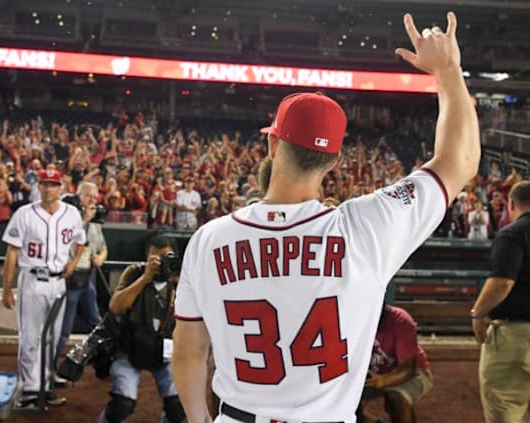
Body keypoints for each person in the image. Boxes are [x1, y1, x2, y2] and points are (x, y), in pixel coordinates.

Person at [171, 11, 480, 423]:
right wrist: (448, 70)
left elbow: (190, 349)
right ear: (333, 161)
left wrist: (197, 419)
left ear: (272, 145)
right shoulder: (367, 225)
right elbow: (459, 160)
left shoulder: (208, 239)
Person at [1, 168, 86, 411]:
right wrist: (6, 288)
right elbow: (12, 252)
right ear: (38, 186)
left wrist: (73, 263)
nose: (49, 188)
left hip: (59, 282)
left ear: (61, 187)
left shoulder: (71, 214)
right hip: (32, 281)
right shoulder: (24, 214)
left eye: (53, 184)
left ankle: (44, 388)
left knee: (51, 338)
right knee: (29, 338)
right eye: (45, 184)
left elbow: (81, 242)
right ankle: (29, 391)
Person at [98, 235, 185, 423]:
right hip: (130, 348)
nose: (161, 264)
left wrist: (179, 282)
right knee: (122, 404)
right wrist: (145, 278)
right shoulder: (135, 272)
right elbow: (115, 306)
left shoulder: (183, 279)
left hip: (165, 350)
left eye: (166, 258)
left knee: (177, 408)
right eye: (154, 258)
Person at [471, 180, 530, 423]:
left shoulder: (513, 233)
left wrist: (477, 313)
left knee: (505, 412)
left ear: (512, 204)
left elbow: (502, 283)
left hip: (514, 338)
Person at [55, 182, 107, 382]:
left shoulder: (95, 222)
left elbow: (102, 247)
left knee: (97, 324)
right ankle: (50, 370)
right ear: (79, 196)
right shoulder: (66, 216)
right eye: (89, 197)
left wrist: (101, 257)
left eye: (95, 198)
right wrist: (84, 219)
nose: (93, 201)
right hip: (69, 278)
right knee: (63, 329)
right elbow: (64, 242)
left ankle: (99, 362)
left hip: (87, 279)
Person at [358, 305, 432, 423]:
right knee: (345, 404)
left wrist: (383, 381)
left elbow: (408, 369)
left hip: (411, 371)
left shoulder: (400, 320)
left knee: (395, 398)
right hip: (376, 372)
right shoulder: (355, 321)